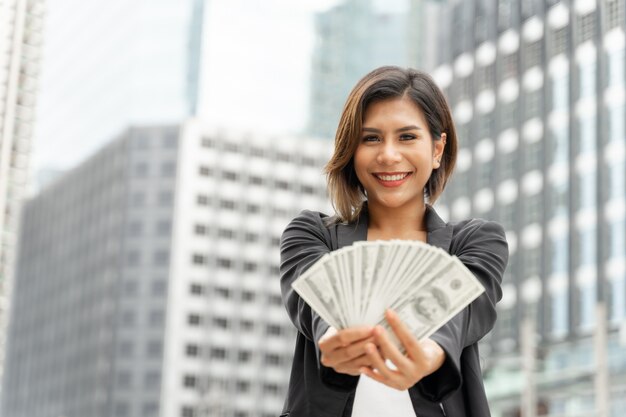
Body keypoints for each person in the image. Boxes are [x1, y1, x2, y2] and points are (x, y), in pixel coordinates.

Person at [279, 66, 509, 417]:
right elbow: (313, 305)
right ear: (351, 150)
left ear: (437, 149)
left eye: (407, 137)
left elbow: (464, 308)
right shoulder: (310, 234)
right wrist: (335, 342)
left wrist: (431, 352)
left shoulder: (476, 242)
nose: (388, 155)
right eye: (371, 138)